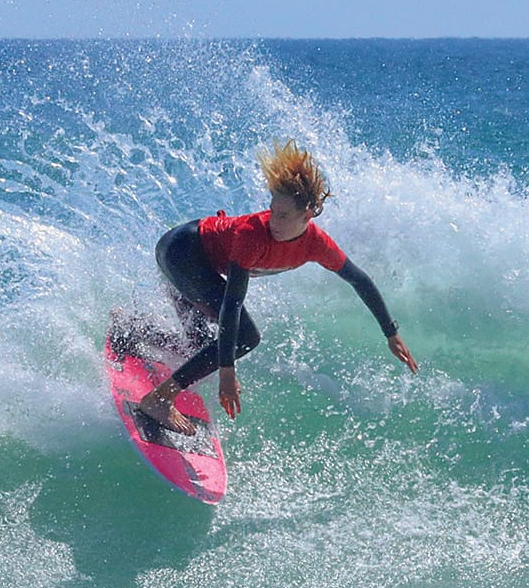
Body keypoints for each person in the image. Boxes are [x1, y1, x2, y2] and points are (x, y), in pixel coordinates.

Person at [139, 140, 418, 435]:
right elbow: (231, 305)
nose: (274, 221)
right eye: (272, 211)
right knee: (244, 337)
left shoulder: (316, 244)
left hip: (191, 260)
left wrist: (391, 332)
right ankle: (159, 399)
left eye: (283, 216)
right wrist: (227, 373)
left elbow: (359, 279)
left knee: (200, 345)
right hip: (183, 252)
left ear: (307, 215)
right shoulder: (252, 235)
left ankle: (135, 332)